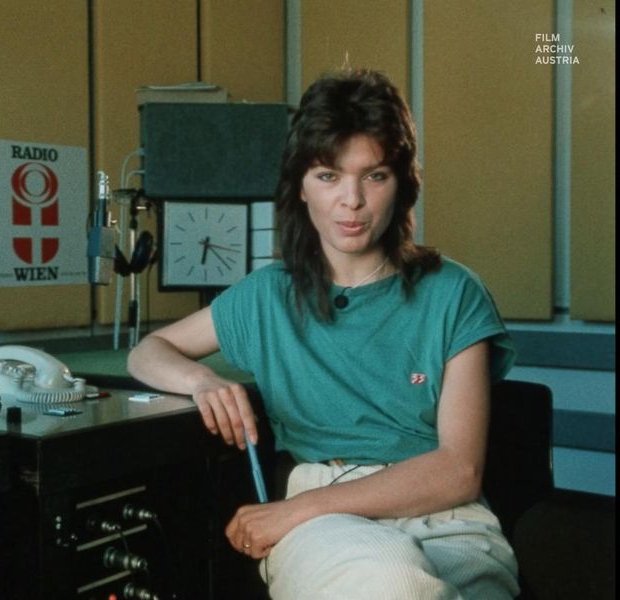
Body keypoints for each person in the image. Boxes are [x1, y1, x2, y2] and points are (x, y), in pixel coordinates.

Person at [128, 69, 520, 600]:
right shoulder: (269, 295)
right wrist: (201, 381)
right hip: (328, 523)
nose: (351, 200)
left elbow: (458, 470)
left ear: (402, 184)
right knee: (393, 584)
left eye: (374, 175)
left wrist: (293, 511)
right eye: (328, 175)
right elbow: (148, 352)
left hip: (446, 516)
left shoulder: (454, 292)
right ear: (301, 186)